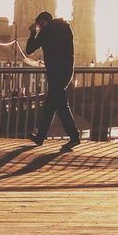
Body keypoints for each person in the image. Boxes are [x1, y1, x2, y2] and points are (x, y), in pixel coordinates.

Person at [25, 10, 81, 148]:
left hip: (55, 74)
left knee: (60, 106)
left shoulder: (47, 32)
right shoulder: (66, 28)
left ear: (43, 22)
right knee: (53, 105)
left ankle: (74, 137)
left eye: (39, 24)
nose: (39, 27)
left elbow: (29, 49)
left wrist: (33, 32)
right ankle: (40, 137)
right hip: (66, 72)